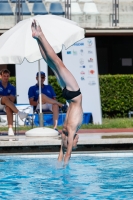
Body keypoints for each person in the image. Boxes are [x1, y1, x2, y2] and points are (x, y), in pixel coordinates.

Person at [31, 20, 83, 167]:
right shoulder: (67, 131)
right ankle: (38, 37)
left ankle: (39, 37)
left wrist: (64, 166)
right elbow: (63, 152)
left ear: (71, 142)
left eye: (76, 141)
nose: (78, 140)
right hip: (71, 95)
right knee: (53, 62)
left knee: (54, 61)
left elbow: (66, 153)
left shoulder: (70, 131)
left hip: (73, 95)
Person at [0, 69, 28, 136]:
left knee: (9, 108)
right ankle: (19, 113)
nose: (6, 77)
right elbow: (10, 98)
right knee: (5, 98)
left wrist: (4, 97)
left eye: (7, 76)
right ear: (0, 76)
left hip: (6, 104)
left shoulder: (12, 87)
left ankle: (10, 130)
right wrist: (6, 97)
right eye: (4, 76)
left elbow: (12, 99)